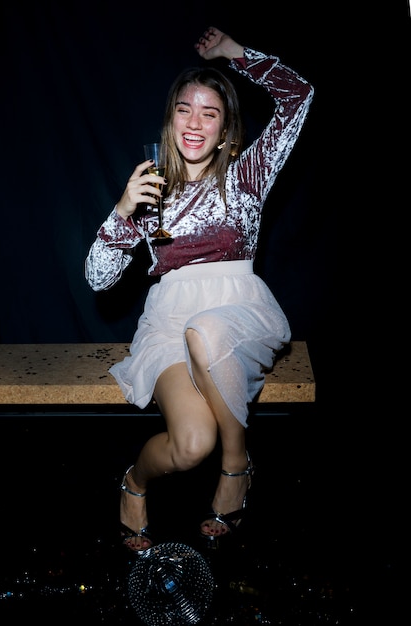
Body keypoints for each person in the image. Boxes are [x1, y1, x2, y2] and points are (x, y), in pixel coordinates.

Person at [85, 26, 314, 554]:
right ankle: (135, 482)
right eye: (185, 109)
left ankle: (237, 465)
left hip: (236, 312)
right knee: (190, 446)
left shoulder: (248, 176)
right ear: (170, 119)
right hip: (168, 321)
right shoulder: (150, 190)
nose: (195, 121)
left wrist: (234, 54)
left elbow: (298, 95)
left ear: (226, 128)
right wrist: (121, 213)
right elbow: (98, 279)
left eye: (210, 112)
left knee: (206, 331)